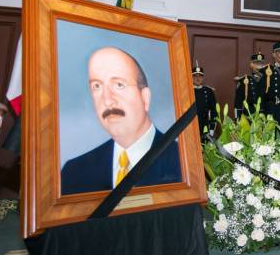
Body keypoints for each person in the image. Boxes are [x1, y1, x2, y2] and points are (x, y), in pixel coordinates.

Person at [61, 47, 181, 195]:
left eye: (119, 85)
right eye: (96, 86)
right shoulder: (73, 174)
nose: (107, 100)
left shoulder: (184, 164)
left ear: (145, 98)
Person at [259, 40, 280, 123]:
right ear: (273, 54)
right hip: (272, 109)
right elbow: (261, 94)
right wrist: (261, 111)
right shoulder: (265, 71)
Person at [234, 52, 266, 118]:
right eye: (256, 63)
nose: (259, 66)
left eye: (261, 64)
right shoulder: (245, 80)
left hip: (265, 114)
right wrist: (238, 118)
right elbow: (238, 103)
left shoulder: (268, 79)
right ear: (251, 64)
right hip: (250, 115)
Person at [192, 63, 217, 140]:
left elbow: (213, 110)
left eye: (200, 76)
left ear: (203, 78)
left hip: (205, 125)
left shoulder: (208, 91)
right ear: (191, 77)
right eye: (195, 76)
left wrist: (212, 128)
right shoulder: (188, 91)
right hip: (191, 125)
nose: (198, 78)